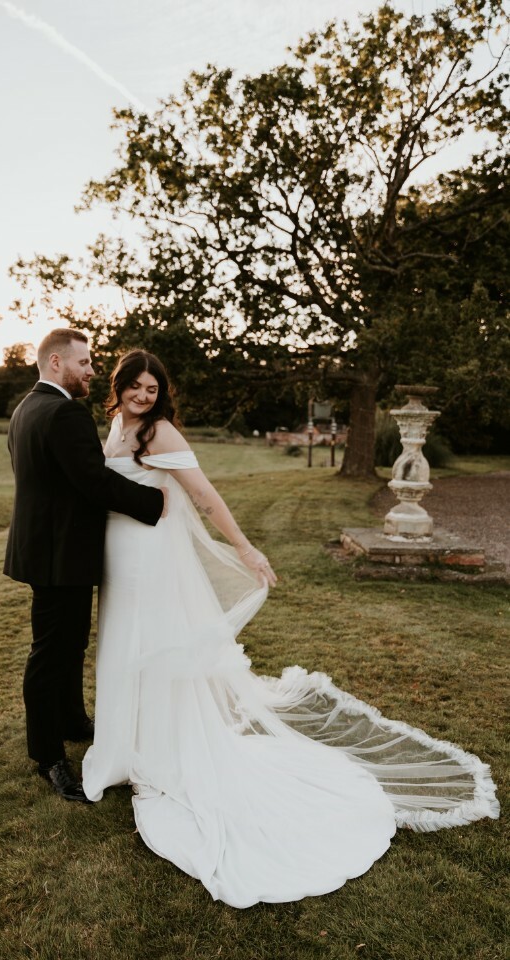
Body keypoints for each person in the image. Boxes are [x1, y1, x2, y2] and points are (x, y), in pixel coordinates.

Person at [81, 349, 500, 908]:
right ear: (119, 387)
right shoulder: (115, 425)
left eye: (151, 390)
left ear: (162, 396)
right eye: (134, 386)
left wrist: (247, 549)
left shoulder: (161, 434)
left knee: (152, 649)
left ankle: (159, 752)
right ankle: (124, 745)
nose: (141, 396)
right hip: (119, 559)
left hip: (150, 562)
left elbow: (205, 499)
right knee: (121, 647)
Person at [4, 330, 166, 804]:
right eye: (86, 362)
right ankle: (47, 755)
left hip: (46, 550)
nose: (94, 370)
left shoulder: (25, 408)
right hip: (60, 554)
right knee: (50, 654)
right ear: (57, 363)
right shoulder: (65, 412)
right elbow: (94, 481)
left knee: (70, 643)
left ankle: (74, 721)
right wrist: (153, 501)